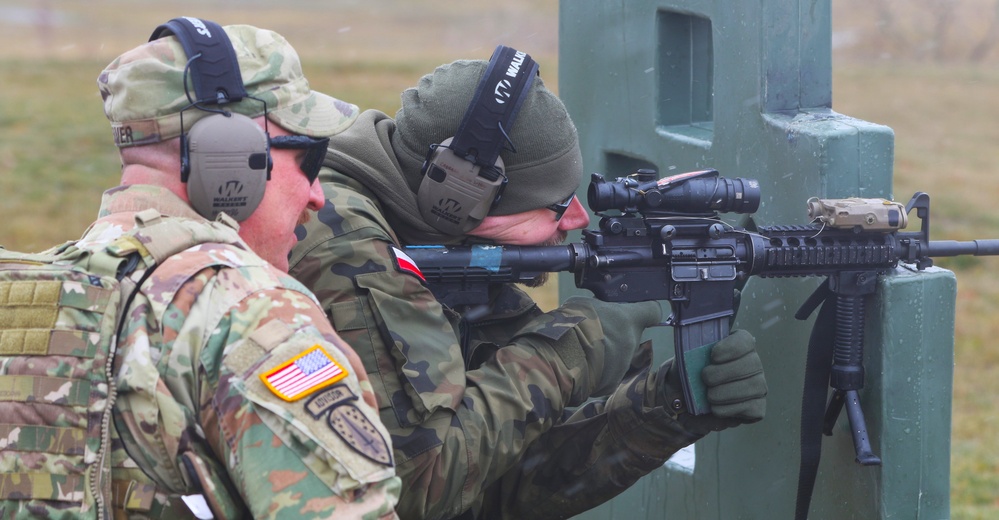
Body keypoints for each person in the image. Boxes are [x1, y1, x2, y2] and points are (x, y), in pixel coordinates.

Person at [289, 48, 767, 520]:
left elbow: (493, 482)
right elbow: (418, 490)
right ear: (456, 197)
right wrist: (572, 348)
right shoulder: (346, 248)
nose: (577, 219)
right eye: (556, 205)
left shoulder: (437, 245)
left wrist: (666, 404)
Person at [0, 18, 401, 519]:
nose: (316, 196)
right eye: (309, 158)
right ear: (230, 159)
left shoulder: (21, 300)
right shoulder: (251, 311)